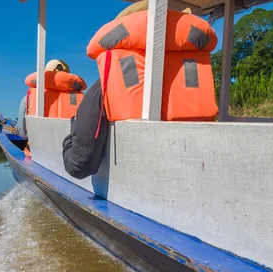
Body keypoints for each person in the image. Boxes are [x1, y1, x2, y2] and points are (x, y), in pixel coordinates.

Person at [63, 2, 216, 179]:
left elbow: (79, 165)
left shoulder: (104, 86)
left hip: (142, 179)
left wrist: (69, 137)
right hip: (199, 171)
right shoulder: (201, 72)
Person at [17, 59, 84, 137]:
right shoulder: (82, 99)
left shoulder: (27, 98)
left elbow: (22, 132)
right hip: (69, 147)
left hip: (36, 146)